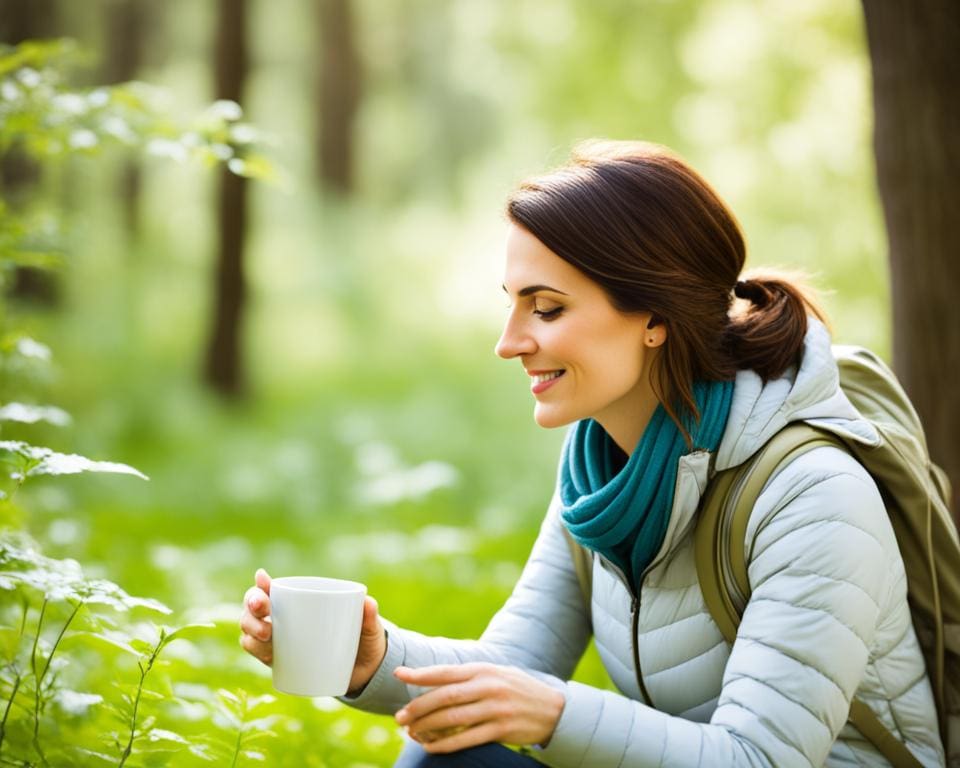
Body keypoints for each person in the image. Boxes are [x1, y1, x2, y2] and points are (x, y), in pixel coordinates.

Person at [240, 141, 945, 767]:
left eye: (545, 308)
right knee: (443, 748)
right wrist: (373, 661)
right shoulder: (602, 467)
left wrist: (555, 714)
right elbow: (512, 665)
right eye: (512, 303)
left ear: (655, 318)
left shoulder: (813, 495)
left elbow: (758, 756)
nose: (509, 341)